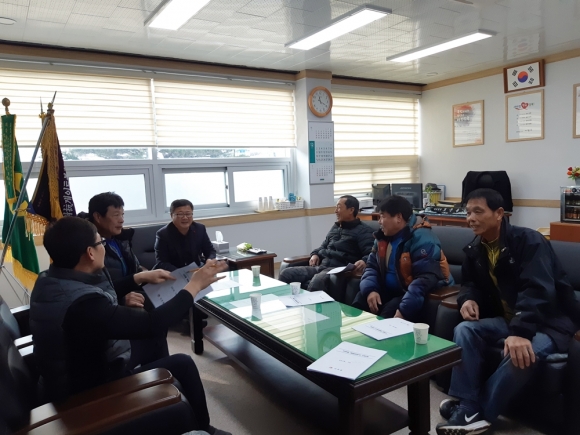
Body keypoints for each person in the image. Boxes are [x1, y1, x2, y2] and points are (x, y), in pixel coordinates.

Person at [29, 217, 232, 435]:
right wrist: (194, 286)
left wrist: (139, 277)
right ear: (90, 253)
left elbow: (100, 296)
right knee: (183, 362)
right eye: (101, 243)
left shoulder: (52, 279)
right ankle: (203, 428)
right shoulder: (83, 306)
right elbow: (151, 323)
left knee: (154, 339)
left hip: (85, 366)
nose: (104, 247)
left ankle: (158, 393)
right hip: (87, 390)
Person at [436, 188, 580, 435]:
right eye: (468, 212)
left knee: (522, 353)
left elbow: (537, 289)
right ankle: (468, 406)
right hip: (510, 319)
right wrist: (468, 299)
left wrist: (520, 333)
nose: (471, 218)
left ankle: (476, 412)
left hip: (550, 322)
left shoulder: (529, 241)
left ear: (499, 213)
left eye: (478, 211)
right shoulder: (476, 248)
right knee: (465, 330)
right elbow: (469, 283)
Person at [84, 192, 174, 367]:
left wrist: (149, 274)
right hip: (113, 306)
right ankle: (155, 370)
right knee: (153, 325)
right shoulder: (90, 247)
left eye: (123, 214)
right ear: (98, 217)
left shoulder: (120, 239)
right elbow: (92, 288)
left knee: (161, 313)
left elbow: (136, 267)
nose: (122, 220)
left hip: (132, 294)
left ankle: (161, 367)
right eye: (116, 215)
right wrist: (122, 297)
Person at [352, 195, 454, 322]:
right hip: (393, 290)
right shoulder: (382, 237)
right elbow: (372, 266)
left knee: (389, 312)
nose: (379, 221)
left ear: (398, 218)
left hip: (420, 292)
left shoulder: (422, 237)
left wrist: (404, 309)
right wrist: (370, 290)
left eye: (382, 216)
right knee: (361, 300)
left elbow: (425, 279)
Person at [278, 195, 374, 297]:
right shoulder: (336, 227)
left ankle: (309, 307)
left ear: (351, 210)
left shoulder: (364, 231)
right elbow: (323, 246)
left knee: (317, 281)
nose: (335, 211)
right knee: (286, 274)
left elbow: (371, 253)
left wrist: (364, 261)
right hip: (321, 267)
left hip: (337, 270)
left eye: (339, 207)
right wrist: (315, 254)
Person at [154, 199, 216, 271]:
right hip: (174, 272)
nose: (185, 217)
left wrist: (209, 260)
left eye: (188, 214)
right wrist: (181, 273)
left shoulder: (200, 229)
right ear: (171, 215)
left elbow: (210, 250)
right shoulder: (163, 234)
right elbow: (161, 262)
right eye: (180, 214)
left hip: (197, 270)